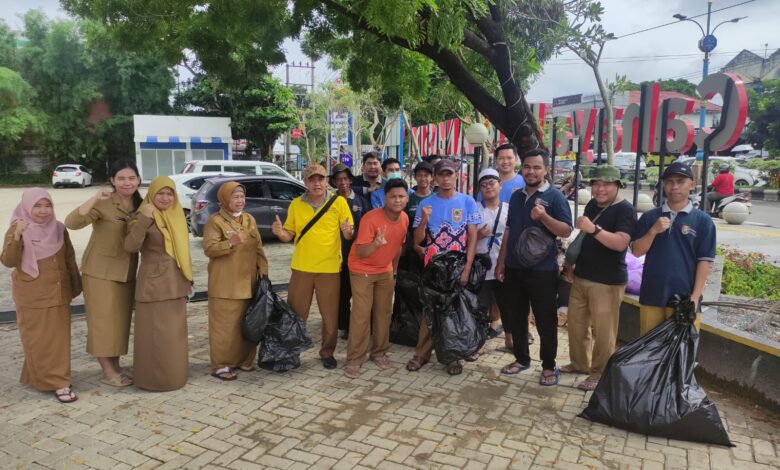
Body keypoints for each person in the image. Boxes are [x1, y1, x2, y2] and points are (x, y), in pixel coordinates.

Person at [495, 149, 572, 386]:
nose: (531, 171)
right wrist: (501, 262)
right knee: (516, 315)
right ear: (522, 168)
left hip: (543, 270)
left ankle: (549, 366)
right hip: (515, 268)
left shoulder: (555, 197)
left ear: (546, 170)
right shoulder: (517, 196)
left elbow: (566, 231)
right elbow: (508, 230)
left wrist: (544, 217)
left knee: (545, 319)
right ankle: (521, 358)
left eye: (537, 167)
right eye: (527, 166)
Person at [65, 159, 142, 388]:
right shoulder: (104, 203)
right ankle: (108, 371)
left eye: (131, 177)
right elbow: (72, 222)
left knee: (119, 322)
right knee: (102, 322)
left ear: (138, 179)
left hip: (126, 272)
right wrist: (94, 199)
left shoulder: (141, 204)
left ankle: (115, 366)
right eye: (121, 178)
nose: (127, 182)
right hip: (100, 272)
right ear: (112, 180)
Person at [560, 165, 637, 391]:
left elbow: (621, 243)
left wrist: (593, 229)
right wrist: (570, 265)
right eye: (596, 184)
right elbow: (583, 237)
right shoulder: (593, 204)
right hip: (582, 275)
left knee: (604, 331)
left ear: (617, 186)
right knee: (576, 325)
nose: (600, 189)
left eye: (606, 184)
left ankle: (600, 372)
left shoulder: (626, 211)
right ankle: (579, 363)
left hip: (608, 281)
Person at [2, 189, 82, 403]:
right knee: (37, 338)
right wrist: (17, 235)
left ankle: (40, 375)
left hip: (59, 292)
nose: (43, 211)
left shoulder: (58, 228)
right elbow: (8, 261)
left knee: (58, 340)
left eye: (47, 205)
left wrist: (76, 285)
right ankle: (59, 382)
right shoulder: (17, 228)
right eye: (37, 206)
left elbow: (69, 258)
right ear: (27, 206)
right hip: (32, 294)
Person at [272, 164, 354, 369]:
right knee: (297, 314)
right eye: (312, 179)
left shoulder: (339, 202)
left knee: (330, 315)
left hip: (329, 268)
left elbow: (348, 233)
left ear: (327, 181)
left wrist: (347, 231)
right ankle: (294, 351)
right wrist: (279, 232)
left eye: (321, 179)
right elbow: (288, 234)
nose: (317, 183)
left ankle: (327, 352)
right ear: (305, 182)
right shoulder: (296, 205)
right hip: (302, 267)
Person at [406, 158, 482, 376]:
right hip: (433, 266)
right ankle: (421, 354)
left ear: (456, 176)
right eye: (441, 175)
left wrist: (467, 267)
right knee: (429, 311)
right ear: (435, 178)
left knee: (453, 312)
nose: (446, 179)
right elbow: (418, 240)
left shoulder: (467, 202)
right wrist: (423, 220)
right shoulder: (425, 204)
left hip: (458, 266)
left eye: (449, 174)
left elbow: (472, 237)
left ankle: (452, 357)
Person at [123, 176, 192, 391]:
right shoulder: (141, 215)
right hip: (153, 285)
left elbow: (183, 251)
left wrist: (188, 277)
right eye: (160, 193)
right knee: (154, 335)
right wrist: (144, 218)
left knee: (174, 335)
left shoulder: (176, 215)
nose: (165, 198)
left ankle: (174, 377)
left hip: (176, 282)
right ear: (152, 194)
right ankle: (152, 380)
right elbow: (130, 246)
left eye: (169, 193)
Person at [632, 161, 716, 335]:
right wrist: (653, 231)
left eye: (680, 181)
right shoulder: (650, 217)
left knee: (681, 351)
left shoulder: (702, 221)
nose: (674, 186)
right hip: (652, 294)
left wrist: (695, 297)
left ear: (691, 185)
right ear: (664, 185)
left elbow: (705, 261)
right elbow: (637, 251)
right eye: (669, 182)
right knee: (648, 351)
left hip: (684, 298)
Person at [344, 178, 410, 378]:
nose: (397, 200)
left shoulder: (405, 219)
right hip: (362, 269)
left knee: (384, 313)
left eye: (401, 196)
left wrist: (394, 270)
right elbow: (362, 252)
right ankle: (354, 359)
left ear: (407, 198)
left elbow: (398, 248)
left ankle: (379, 352)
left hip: (385, 270)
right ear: (385, 198)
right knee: (361, 315)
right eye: (393, 197)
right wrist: (376, 244)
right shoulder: (371, 219)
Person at [203, 182, 269, 381]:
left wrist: (263, 270)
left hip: (248, 282)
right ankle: (221, 365)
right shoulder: (215, 222)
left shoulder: (249, 219)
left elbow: (258, 247)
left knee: (247, 324)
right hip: (225, 284)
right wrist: (230, 243)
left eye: (242, 197)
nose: (240, 201)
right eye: (235, 197)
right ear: (224, 200)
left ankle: (244, 360)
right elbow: (209, 249)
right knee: (225, 327)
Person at [330, 163, 370, 339]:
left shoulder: (361, 202)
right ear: (333, 182)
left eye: (345, 178)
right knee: (342, 293)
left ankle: (358, 325)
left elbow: (369, 227)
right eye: (338, 179)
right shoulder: (329, 202)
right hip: (336, 257)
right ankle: (344, 325)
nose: (342, 182)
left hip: (358, 256)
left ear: (351, 180)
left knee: (359, 294)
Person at [474, 169, 509, 343]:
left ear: (500, 186)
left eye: (492, 183)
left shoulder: (508, 210)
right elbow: (465, 237)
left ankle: (508, 336)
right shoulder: (475, 209)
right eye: (484, 185)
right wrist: (478, 236)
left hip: (503, 265)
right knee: (480, 305)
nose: (488, 188)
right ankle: (478, 342)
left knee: (505, 303)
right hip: (482, 266)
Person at [403, 161, 435, 272]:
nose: (423, 178)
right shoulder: (408, 199)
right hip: (414, 248)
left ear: (432, 177)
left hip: (435, 248)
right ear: (415, 177)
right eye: (420, 175)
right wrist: (415, 246)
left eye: (426, 175)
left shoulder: (438, 199)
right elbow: (404, 227)